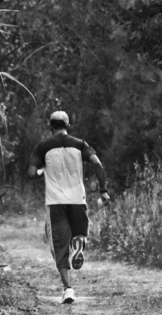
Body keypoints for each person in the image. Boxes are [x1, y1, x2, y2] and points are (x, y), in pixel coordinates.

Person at [27, 110, 110, 304]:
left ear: (51, 127)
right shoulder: (80, 144)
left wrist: (42, 171)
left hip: (56, 202)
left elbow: (31, 173)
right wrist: (103, 190)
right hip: (77, 199)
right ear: (68, 126)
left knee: (58, 245)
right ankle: (79, 244)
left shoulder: (43, 147)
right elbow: (97, 164)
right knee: (78, 233)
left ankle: (68, 289)